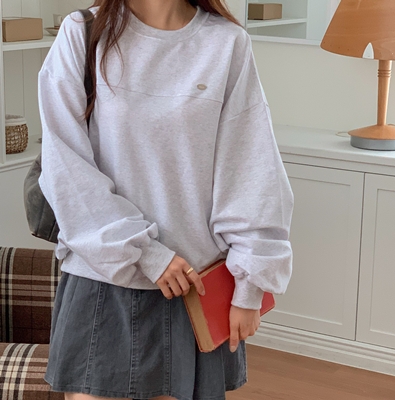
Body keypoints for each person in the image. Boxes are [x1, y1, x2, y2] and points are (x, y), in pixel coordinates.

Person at [38, 0, 294, 399]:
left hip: (194, 288)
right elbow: (64, 165)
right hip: (104, 280)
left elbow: (251, 167)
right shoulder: (84, 32)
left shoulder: (226, 43)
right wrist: (147, 254)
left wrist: (250, 285)